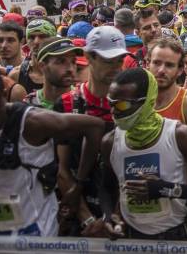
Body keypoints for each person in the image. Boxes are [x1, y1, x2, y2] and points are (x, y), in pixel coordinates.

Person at [101, 68, 187, 240]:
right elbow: (106, 188)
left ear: (146, 102)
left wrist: (166, 189)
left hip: (177, 236)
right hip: (131, 237)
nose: (114, 112)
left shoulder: (179, 135)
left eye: (122, 105)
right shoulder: (110, 141)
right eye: (111, 104)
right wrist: (108, 216)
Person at [0, 87, 105, 236]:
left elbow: (95, 126)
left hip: (34, 234)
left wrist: (78, 185)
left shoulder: (32, 122)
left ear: (4, 94)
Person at [54, 26, 130, 236]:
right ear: (89, 57)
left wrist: (115, 217)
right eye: (108, 60)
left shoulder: (132, 105)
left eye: (119, 60)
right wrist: (88, 220)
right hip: (80, 214)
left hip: (123, 214)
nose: (116, 67)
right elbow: (62, 170)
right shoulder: (68, 104)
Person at [148, 38, 187, 139]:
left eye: (169, 65)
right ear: (148, 64)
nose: (161, 70)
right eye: (156, 63)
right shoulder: (137, 100)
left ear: (180, 70)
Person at [26, 37, 80, 110]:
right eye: (61, 62)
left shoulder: (83, 101)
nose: (70, 69)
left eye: (73, 62)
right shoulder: (29, 104)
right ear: (42, 66)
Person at [10, 19, 56, 96]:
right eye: (31, 37)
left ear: (53, 40)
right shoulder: (16, 74)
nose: (36, 42)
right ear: (26, 41)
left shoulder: (64, 72)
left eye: (42, 36)